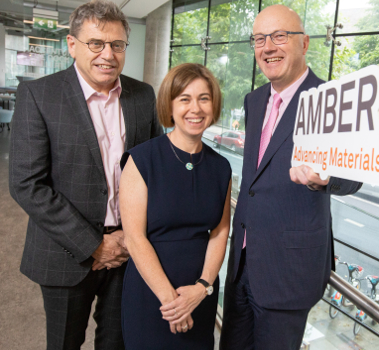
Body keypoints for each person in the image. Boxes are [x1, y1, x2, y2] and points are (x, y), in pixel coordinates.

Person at [8, 1, 161, 349]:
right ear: (72, 44)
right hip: (66, 253)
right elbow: (27, 183)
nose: (107, 54)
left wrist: (130, 235)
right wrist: (94, 245)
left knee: (118, 342)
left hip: (128, 250)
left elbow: (154, 173)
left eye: (117, 45)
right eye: (96, 43)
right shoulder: (39, 95)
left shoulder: (142, 96)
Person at [219, 5, 362, 349]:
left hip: (288, 270)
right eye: (259, 39)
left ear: (305, 43)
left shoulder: (331, 102)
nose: (268, 47)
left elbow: (354, 177)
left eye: (280, 36)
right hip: (241, 263)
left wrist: (325, 178)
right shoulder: (253, 101)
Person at [119, 63, 231, 349]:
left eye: (204, 98)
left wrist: (202, 288)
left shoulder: (221, 167)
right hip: (152, 294)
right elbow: (134, 237)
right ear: (169, 105)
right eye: (185, 99)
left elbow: (220, 232)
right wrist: (171, 301)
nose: (195, 108)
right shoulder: (141, 160)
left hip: (199, 293)